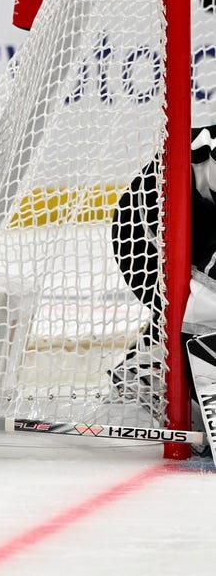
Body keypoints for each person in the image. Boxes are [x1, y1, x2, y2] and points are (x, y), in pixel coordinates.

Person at [108, 124, 216, 417]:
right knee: (203, 306)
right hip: (147, 228)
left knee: (200, 306)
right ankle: (147, 372)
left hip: (188, 218)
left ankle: (144, 366)